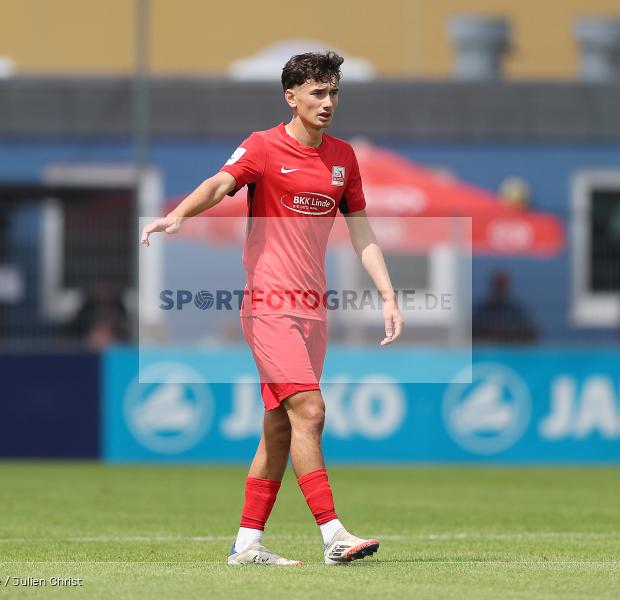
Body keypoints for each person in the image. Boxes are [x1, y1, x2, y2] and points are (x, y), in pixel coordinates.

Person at [140, 51, 403, 566]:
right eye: (317, 93)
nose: (328, 103)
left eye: (333, 93)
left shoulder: (343, 158)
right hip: (268, 305)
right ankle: (334, 536)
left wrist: (389, 295)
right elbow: (220, 182)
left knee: (280, 426)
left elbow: (362, 232)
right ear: (292, 96)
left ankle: (246, 544)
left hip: (313, 310)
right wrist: (178, 216)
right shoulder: (262, 147)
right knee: (311, 409)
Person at [472, 270, 537, 344]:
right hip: (486, 351)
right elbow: (470, 333)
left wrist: (508, 335)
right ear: (492, 286)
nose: (499, 288)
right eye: (497, 285)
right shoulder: (481, 311)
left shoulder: (516, 311)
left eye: (502, 285)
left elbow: (531, 333)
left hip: (511, 351)